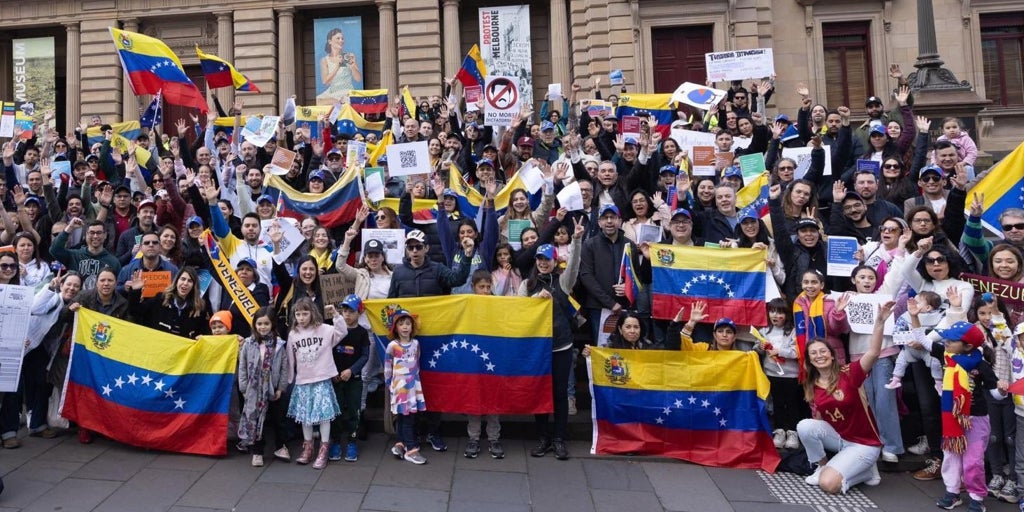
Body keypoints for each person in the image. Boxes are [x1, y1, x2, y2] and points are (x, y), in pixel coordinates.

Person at [797, 301, 894, 495]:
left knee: (828, 485)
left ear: (832, 355)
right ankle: (821, 466)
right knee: (804, 426)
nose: (819, 356)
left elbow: (874, 352)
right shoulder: (811, 385)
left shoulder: (850, 373)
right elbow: (818, 421)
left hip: (864, 444)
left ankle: (867, 472)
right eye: (814, 353)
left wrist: (880, 322)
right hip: (841, 439)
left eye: (823, 351)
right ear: (809, 360)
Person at [910, 320, 999, 512]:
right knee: (951, 456)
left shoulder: (981, 366)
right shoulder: (946, 355)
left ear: (967, 346)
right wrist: (915, 316)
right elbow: (923, 340)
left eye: (952, 340)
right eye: (946, 339)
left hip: (976, 419)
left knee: (973, 460)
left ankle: (976, 497)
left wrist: (1003, 389)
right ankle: (952, 492)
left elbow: (995, 392)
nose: (947, 342)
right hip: (951, 417)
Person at [520, 218, 584, 461]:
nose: (543, 263)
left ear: (555, 261)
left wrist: (576, 240)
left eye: (547, 259)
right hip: (538, 347)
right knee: (539, 393)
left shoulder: (563, 282)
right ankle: (543, 437)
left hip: (561, 344)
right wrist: (535, 301)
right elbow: (519, 313)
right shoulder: (527, 284)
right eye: (539, 259)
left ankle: (559, 438)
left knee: (559, 393)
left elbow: (575, 266)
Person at [285, 298, 348, 470]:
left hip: (321, 378)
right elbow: (290, 359)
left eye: (305, 313)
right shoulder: (293, 334)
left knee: (324, 416)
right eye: (298, 314)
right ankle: (308, 448)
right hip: (303, 380)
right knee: (305, 416)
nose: (302, 317)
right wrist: (290, 379)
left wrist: (335, 314)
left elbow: (342, 332)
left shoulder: (324, 330)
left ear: (313, 313)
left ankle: (323, 448)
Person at [236, 307, 289, 468]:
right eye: (259, 324)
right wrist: (244, 389)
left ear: (272, 324)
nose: (263, 327)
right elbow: (243, 367)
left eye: (266, 323)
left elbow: (284, 368)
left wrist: (281, 387)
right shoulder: (248, 343)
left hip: (273, 390)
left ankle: (280, 447)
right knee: (256, 420)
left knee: (278, 420)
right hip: (254, 390)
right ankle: (257, 452)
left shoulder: (279, 345)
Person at [462, 270, 506, 459]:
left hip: (494, 360)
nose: (486, 291)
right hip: (474, 359)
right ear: (473, 288)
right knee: (474, 398)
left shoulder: (499, 304)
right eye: (482, 287)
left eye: (489, 287)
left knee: (493, 398)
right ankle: (473, 437)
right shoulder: (467, 305)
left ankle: (494, 438)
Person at [758, 298, 805, 451]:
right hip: (771, 374)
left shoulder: (793, 331)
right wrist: (759, 346)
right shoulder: (764, 330)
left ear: (787, 315)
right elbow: (757, 349)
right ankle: (779, 431)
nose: (776, 316)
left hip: (791, 375)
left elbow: (797, 351)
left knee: (792, 404)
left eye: (780, 313)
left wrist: (781, 352)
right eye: (772, 312)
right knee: (777, 403)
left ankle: (792, 433)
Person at [327, 295, 369, 463]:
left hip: (354, 379)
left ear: (359, 312)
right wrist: (332, 372)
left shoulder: (362, 332)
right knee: (335, 411)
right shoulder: (334, 331)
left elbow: (365, 356)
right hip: (335, 379)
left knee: (354, 410)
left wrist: (352, 371)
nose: (347, 315)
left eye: (351, 311)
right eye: (344, 311)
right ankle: (336, 441)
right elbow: (326, 352)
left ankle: (352, 441)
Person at [384, 308, 428, 465]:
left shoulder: (416, 344)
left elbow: (417, 362)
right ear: (395, 327)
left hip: (413, 387)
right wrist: (390, 385)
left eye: (408, 323)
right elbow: (388, 367)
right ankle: (411, 449)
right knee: (407, 418)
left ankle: (400, 443)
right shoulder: (392, 346)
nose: (405, 327)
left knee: (406, 416)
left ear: (412, 326)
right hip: (400, 388)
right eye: (401, 324)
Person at [125, 266, 210, 339]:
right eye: (183, 279)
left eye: (190, 281)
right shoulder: (160, 299)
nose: (185, 283)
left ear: (194, 285)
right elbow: (135, 312)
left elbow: (204, 333)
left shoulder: (199, 309)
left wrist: (201, 337)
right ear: (176, 281)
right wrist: (135, 291)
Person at [317, 28, 362, 104]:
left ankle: (340, 103)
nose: (341, 41)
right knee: (318, 101)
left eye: (342, 38)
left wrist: (353, 66)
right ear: (330, 41)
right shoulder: (324, 60)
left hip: (346, 91)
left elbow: (358, 79)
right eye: (338, 38)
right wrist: (337, 67)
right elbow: (325, 82)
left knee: (344, 101)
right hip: (332, 92)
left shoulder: (349, 56)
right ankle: (338, 102)